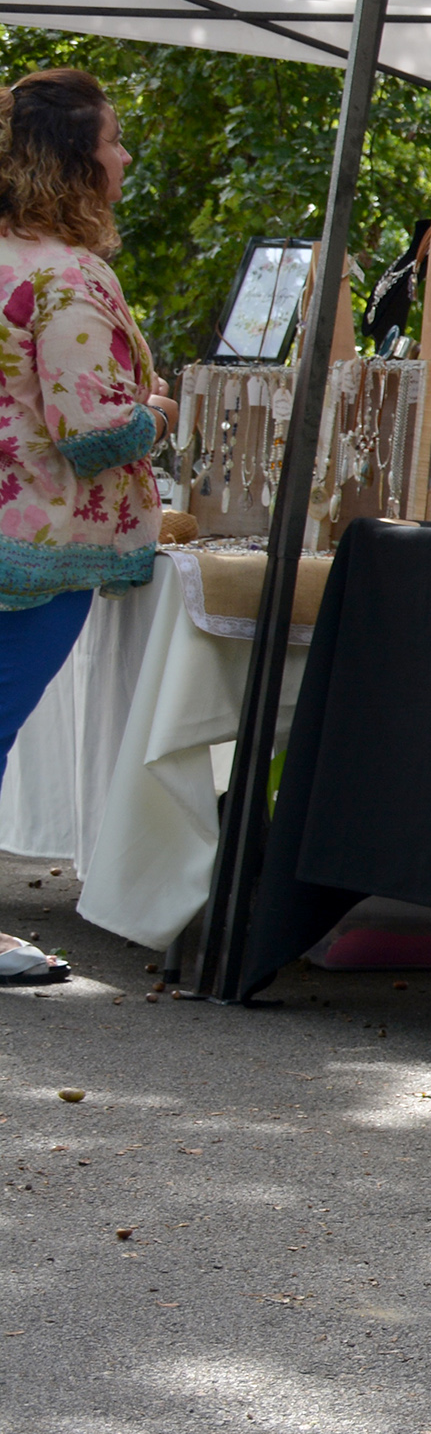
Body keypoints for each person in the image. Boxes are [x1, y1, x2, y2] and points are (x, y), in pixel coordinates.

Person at [0, 70, 173, 985]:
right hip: (31, 550)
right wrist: (154, 410)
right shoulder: (67, 277)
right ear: (73, 164)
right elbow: (92, 429)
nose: (124, 156)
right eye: (112, 141)